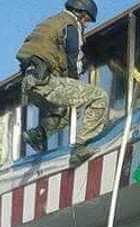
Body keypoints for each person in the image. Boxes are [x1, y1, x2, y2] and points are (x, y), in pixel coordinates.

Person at [15, 0, 108, 159]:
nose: (86, 25)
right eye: (87, 20)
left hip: (30, 84)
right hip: (45, 81)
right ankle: (79, 147)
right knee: (99, 97)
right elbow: (73, 58)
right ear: (81, 13)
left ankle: (39, 133)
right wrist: (76, 80)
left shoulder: (50, 22)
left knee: (70, 107)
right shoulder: (71, 26)